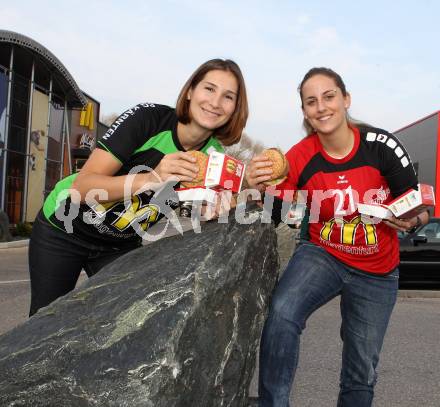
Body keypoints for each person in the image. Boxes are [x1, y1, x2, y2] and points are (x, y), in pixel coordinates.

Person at [246, 67, 429, 407]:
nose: (321, 107)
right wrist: (257, 183)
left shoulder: (381, 146)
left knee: (361, 368)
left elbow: (420, 208)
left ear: (345, 100)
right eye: (311, 101)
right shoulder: (300, 155)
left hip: (377, 269)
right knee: (283, 312)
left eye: (329, 96)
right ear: (304, 111)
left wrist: (412, 219)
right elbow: (273, 204)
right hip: (323, 254)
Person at [29, 58, 249, 316]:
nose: (215, 102)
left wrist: (215, 209)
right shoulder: (148, 119)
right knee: (45, 323)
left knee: (124, 324)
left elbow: (191, 210)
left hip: (119, 245)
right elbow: (82, 188)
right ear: (190, 91)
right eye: (209, 89)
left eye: (228, 96)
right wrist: (151, 179)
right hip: (65, 229)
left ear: (235, 108)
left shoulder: (215, 157)